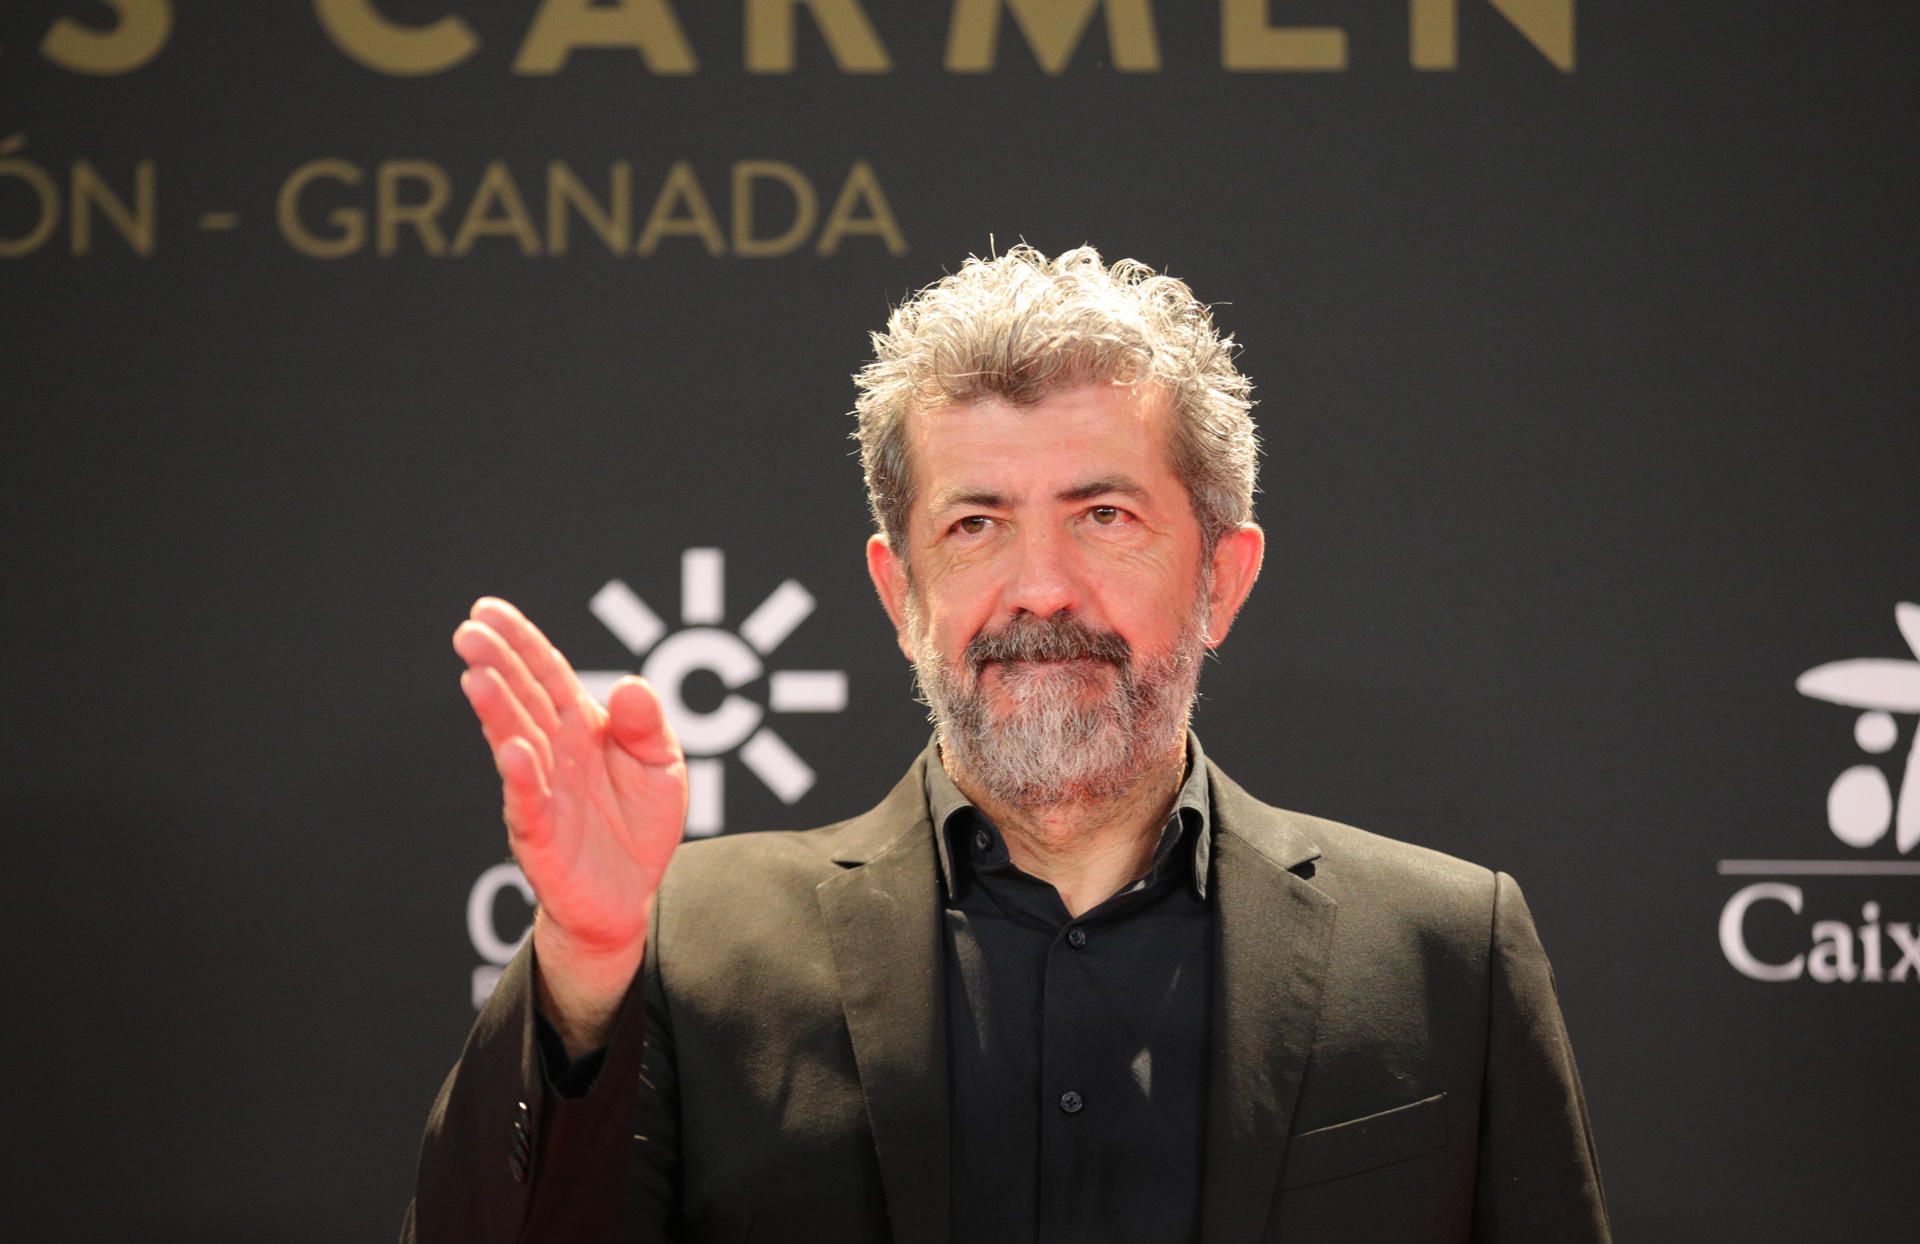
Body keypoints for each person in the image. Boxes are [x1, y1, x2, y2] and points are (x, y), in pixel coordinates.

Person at [401, 246, 1610, 1243]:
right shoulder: (689, 942)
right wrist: (585, 958)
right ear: (901, 591)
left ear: (1222, 579)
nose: (1041, 586)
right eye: (975, 522)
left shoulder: (1448, 955)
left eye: (1105, 514)